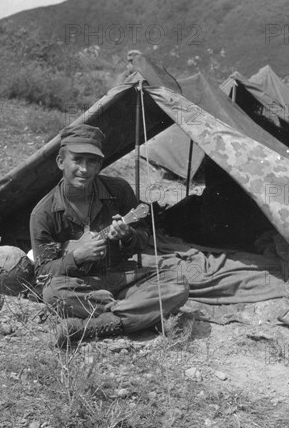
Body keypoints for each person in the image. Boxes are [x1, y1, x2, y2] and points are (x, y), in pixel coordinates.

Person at [29, 123, 189, 347]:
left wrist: (128, 235)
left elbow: (144, 238)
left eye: (92, 161)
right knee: (53, 293)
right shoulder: (43, 213)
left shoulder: (119, 192)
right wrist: (77, 257)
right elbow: (43, 272)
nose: (84, 169)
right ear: (60, 162)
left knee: (177, 281)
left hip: (121, 278)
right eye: (77, 160)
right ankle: (137, 312)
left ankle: (94, 325)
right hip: (79, 286)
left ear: (99, 165)